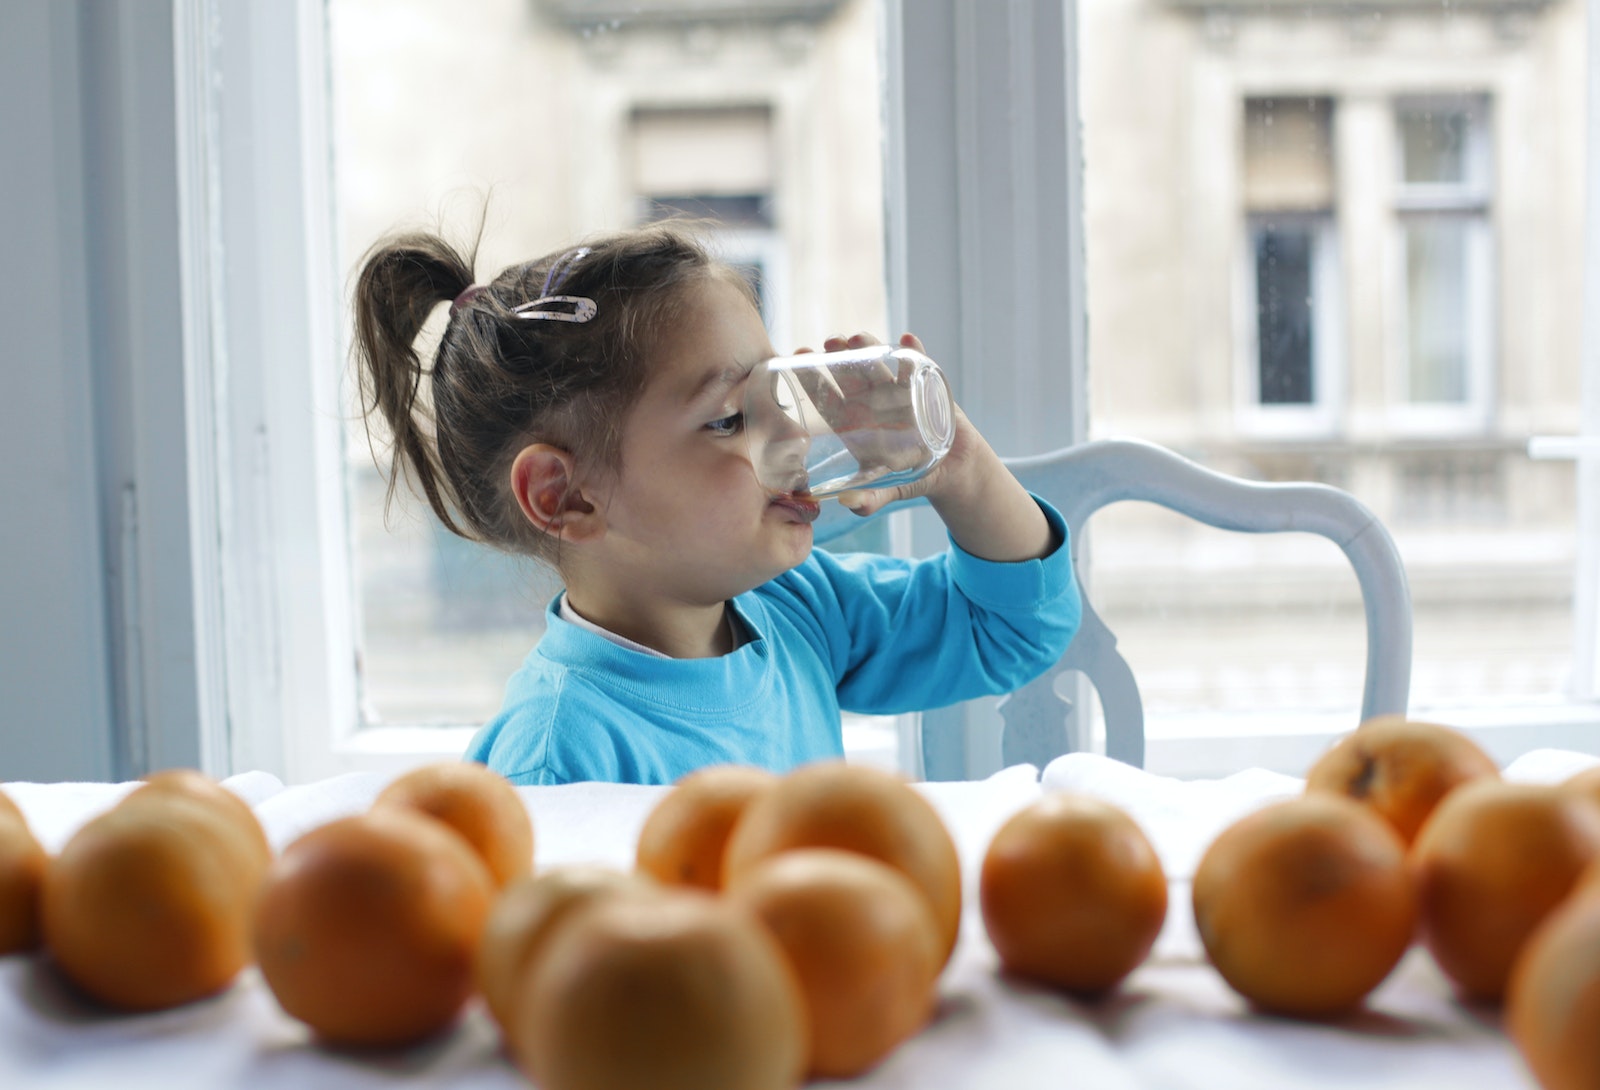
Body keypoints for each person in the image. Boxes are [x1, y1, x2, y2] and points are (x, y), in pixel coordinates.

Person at [352, 221, 1082, 785]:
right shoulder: (559, 757)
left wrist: (961, 465)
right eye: (732, 417)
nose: (793, 432)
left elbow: (1013, 627)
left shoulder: (794, 605)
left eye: (779, 391)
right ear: (565, 496)